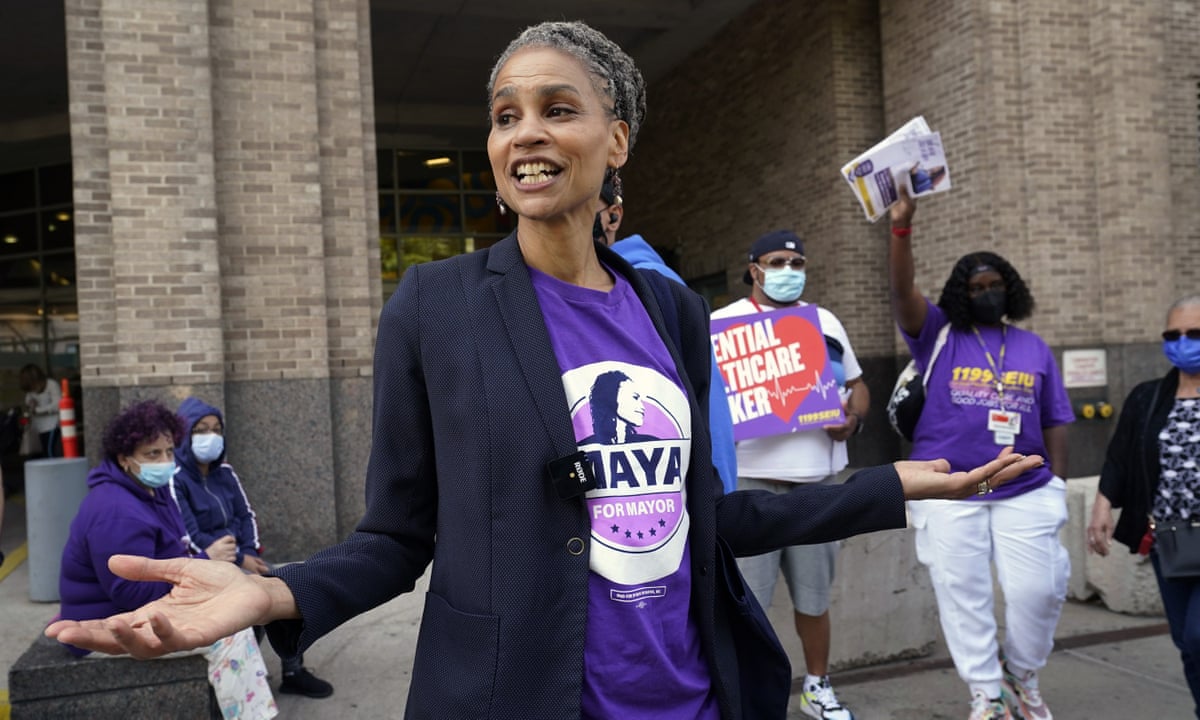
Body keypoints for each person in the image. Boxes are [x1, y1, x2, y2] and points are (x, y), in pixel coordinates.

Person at [46, 21, 1043, 719]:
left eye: (556, 109)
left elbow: (707, 516)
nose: (523, 132)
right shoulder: (433, 308)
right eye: (503, 114)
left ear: (614, 141)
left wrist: (892, 485)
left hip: (694, 696)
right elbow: (398, 534)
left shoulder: (671, 310)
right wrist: (279, 596)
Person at [887, 191, 1074, 720]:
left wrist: (1057, 481)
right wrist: (901, 229)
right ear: (961, 294)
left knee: (1039, 590)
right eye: (977, 287)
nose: (987, 293)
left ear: (1009, 290)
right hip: (950, 487)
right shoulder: (940, 334)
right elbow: (902, 292)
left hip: (1025, 487)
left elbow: (1056, 417)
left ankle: (1021, 672)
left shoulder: (1033, 347)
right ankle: (987, 692)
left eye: (995, 286)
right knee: (961, 592)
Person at [710, 229, 869, 720]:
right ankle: (745, 694)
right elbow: (700, 396)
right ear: (754, 269)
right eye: (777, 262)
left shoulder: (825, 321)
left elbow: (859, 387)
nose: (788, 272)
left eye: (797, 263)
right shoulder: (721, 325)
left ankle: (817, 686)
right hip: (751, 482)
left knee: (814, 597)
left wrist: (853, 419)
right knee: (746, 604)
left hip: (815, 483)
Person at [56, 399, 277, 718]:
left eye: (170, 451)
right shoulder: (116, 511)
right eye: (152, 454)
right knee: (229, 631)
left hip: (140, 611)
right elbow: (129, 591)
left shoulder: (148, 491)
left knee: (241, 608)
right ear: (124, 459)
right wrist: (204, 560)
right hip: (107, 626)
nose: (165, 461)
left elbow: (177, 547)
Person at [171, 396, 333, 699]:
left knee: (288, 590)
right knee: (247, 604)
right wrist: (234, 558)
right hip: (208, 563)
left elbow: (246, 515)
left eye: (216, 429)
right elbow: (186, 532)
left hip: (241, 557)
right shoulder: (175, 480)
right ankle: (249, 679)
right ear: (184, 434)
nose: (211, 437)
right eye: (201, 430)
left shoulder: (226, 474)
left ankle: (293, 670)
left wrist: (249, 553)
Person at [1088, 295, 1200, 718]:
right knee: (1187, 643)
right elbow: (1120, 457)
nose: (1183, 342)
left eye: (1194, 334)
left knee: (1199, 634)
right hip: (1171, 541)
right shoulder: (1149, 398)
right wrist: (1102, 507)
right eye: (1173, 334)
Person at [594, 181, 738, 493]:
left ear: (613, 216)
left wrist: (721, 503)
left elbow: (706, 400)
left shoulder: (654, 290)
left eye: (582, 202)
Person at [19, 364, 61, 458]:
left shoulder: (51, 385)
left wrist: (38, 410)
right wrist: (30, 404)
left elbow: (58, 405)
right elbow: (28, 402)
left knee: (50, 451)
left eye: (33, 387)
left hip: (52, 425)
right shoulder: (30, 391)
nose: (33, 390)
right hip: (37, 427)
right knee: (39, 453)